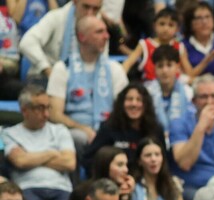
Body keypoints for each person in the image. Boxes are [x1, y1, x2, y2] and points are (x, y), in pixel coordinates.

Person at [46, 15, 128, 161]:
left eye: (106, 31)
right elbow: (54, 114)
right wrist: (82, 128)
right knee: (78, 138)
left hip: (108, 130)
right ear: (82, 37)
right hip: (76, 132)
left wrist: (104, 133)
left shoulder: (114, 69)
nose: (107, 36)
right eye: (99, 32)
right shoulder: (62, 68)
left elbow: (124, 110)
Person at [2, 85, 76, 200]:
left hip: (61, 187)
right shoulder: (9, 133)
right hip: (27, 187)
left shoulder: (60, 130)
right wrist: (52, 153)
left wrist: (30, 156)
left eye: (48, 107)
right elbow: (20, 161)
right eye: (40, 108)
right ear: (25, 111)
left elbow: (69, 163)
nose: (46, 114)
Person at [81, 83, 167, 174]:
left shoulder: (156, 130)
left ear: (146, 104)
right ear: (121, 103)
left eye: (139, 99)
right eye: (129, 99)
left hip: (145, 179)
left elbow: (164, 163)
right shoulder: (109, 128)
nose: (134, 104)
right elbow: (88, 160)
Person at [18, 0, 103, 78]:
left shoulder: (100, 26)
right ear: (75, 2)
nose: (89, 13)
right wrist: (47, 69)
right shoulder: (56, 17)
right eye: (86, 7)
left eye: (95, 9)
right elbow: (27, 42)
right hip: (46, 77)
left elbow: (102, 60)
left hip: (83, 79)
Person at [64, 146, 136, 200]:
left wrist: (124, 198)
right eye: (120, 165)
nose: (126, 170)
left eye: (126, 165)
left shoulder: (123, 191)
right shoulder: (82, 192)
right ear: (105, 165)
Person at [145, 44, 194, 139]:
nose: (165, 70)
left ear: (177, 67)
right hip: (153, 139)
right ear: (154, 68)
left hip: (183, 139)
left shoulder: (188, 92)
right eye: (160, 66)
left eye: (169, 65)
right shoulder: (147, 93)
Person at [121, 7, 182, 81]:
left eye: (171, 25)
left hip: (174, 85)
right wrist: (119, 78)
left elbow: (188, 72)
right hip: (149, 85)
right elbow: (127, 64)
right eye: (162, 24)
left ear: (177, 29)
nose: (166, 29)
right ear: (154, 25)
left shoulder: (180, 47)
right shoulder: (144, 45)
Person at [180, 1, 214, 80]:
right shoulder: (182, 45)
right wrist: (207, 60)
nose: (204, 22)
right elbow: (186, 76)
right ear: (190, 23)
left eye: (208, 17)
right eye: (199, 18)